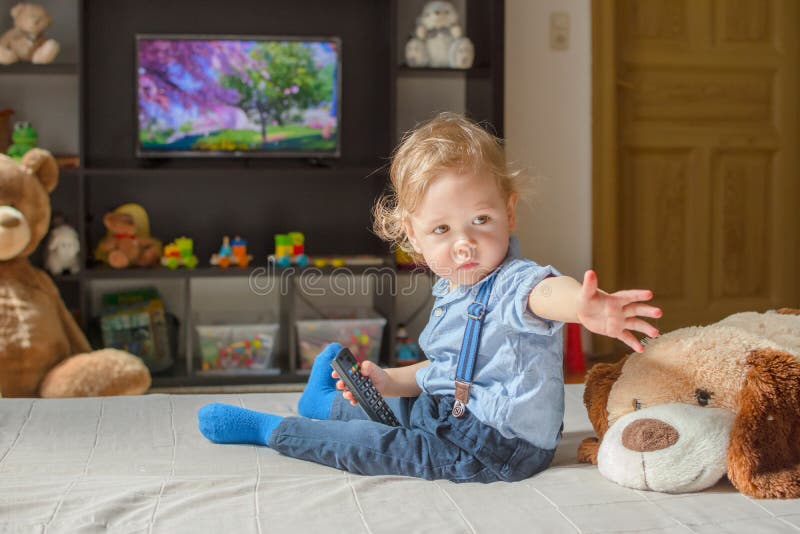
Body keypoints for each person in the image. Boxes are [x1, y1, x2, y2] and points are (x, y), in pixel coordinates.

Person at [197, 112, 661, 483]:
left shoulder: (514, 281)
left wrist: (583, 307)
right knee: (400, 406)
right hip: (456, 413)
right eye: (442, 229)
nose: (464, 242)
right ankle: (324, 404)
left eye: (481, 220)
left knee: (383, 448)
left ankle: (272, 430)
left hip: (497, 449)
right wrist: (390, 380)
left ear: (509, 212)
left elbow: (543, 295)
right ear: (413, 239)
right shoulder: (453, 288)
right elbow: (453, 367)